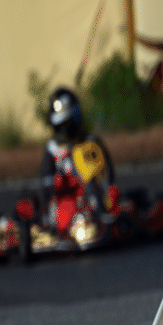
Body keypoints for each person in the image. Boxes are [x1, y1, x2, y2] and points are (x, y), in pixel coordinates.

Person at [39, 87, 116, 228]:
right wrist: (55, 182)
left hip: (96, 193)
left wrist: (99, 180)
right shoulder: (53, 148)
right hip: (68, 198)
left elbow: (109, 173)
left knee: (113, 194)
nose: (65, 130)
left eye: (67, 124)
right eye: (61, 126)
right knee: (66, 212)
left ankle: (104, 216)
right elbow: (47, 180)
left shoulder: (91, 141)